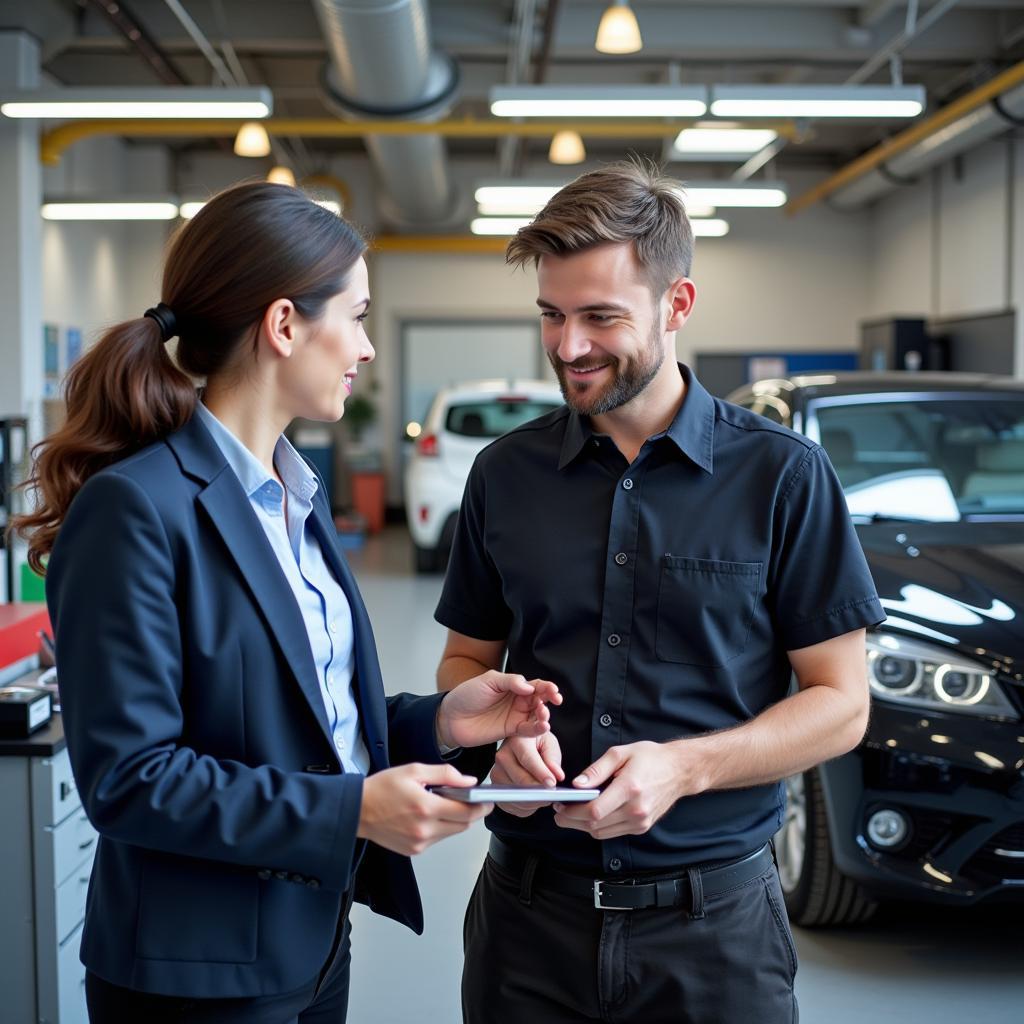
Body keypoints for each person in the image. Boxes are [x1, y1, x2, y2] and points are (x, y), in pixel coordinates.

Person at [11, 181, 559, 1024]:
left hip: (312, 943)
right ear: (283, 325)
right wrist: (355, 812)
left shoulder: (293, 503)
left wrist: (445, 722)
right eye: (359, 315)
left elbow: (303, 720)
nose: (368, 349)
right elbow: (129, 777)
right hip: (194, 977)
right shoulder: (139, 510)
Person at [434, 160, 885, 1024]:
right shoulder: (504, 474)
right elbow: (467, 656)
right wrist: (492, 737)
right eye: (552, 317)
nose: (570, 347)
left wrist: (685, 767)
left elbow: (842, 704)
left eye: (601, 317)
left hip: (715, 936)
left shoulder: (783, 477)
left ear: (677, 306)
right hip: (526, 928)